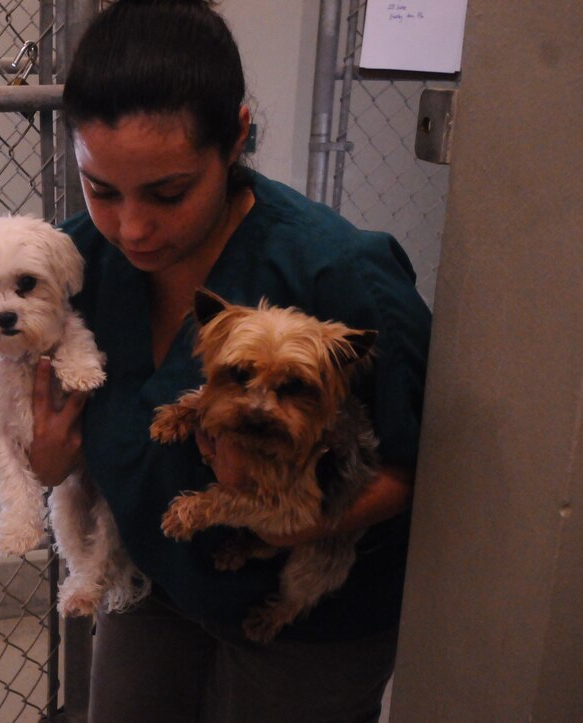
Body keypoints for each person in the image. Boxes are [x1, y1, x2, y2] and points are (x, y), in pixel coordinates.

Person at [29, 1, 432, 720]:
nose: (131, 227)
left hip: (313, 620)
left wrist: (295, 524)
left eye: (169, 192)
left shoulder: (338, 277)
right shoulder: (75, 270)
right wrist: (50, 462)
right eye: (100, 189)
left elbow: (418, 470)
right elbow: (48, 436)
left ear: (236, 137)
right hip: (154, 584)